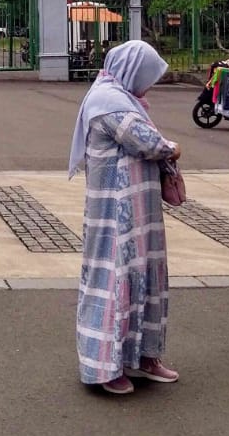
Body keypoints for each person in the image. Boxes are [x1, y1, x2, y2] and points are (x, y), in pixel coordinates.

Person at [69, 40, 181, 395]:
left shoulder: (124, 98)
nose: (150, 85)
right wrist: (173, 148)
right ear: (133, 71)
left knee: (144, 276)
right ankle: (105, 367)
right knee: (114, 279)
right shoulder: (109, 102)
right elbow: (150, 143)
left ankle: (145, 356)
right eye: (148, 77)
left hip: (139, 211)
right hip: (115, 214)